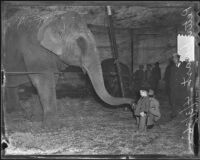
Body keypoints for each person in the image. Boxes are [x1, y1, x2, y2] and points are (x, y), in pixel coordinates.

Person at [169, 53, 188, 118]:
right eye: (173, 58)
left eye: (174, 58)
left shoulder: (184, 66)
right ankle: (174, 113)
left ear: (178, 58)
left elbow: (187, 76)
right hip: (174, 87)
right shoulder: (172, 67)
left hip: (182, 87)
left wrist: (185, 85)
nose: (173, 60)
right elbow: (171, 78)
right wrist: (171, 86)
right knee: (173, 100)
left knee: (183, 100)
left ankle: (186, 113)